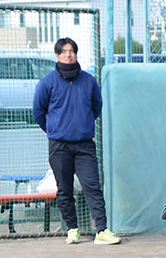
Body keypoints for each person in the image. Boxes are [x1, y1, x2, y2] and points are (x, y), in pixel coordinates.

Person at [33, 37, 120, 245]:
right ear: (57, 55)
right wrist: (54, 130)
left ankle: (101, 230)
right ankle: (72, 229)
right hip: (59, 145)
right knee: (64, 188)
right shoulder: (47, 84)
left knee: (92, 186)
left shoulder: (89, 81)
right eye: (63, 51)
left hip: (84, 144)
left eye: (71, 51)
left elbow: (96, 106)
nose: (68, 54)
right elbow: (39, 112)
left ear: (76, 54)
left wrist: (83, 124)